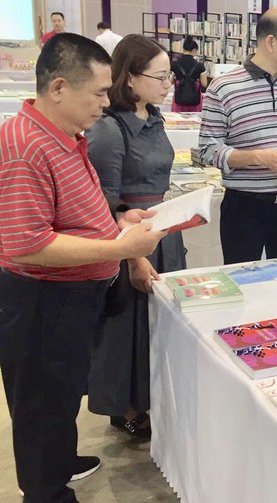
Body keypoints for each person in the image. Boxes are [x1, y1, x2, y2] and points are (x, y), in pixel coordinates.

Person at [0, 33, 164, 503]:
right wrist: (118, 247)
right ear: (58, 88)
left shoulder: (64, 134)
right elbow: (28, 245)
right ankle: (46, 490)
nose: (105, 103)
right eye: (97, 93)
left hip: (70, 298)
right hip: (42, 301)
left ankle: (58, 461)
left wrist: (118, 223)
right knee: (41, 403)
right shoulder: (25, 145)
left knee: (63, 391)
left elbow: (74, 211)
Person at [85, 34, 187, 440]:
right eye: (160, 77)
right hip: (129, 239)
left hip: (161, 230)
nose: (168, 85)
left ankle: (152, 398)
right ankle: (127, 406)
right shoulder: (110, 129)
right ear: (129, 78)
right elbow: (105, 203)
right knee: (128, 325)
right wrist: (133, 255)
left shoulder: (155, 118)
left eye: (169, 77)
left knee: (158, 323)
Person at [199, 7, 277, 263]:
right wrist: (258, 157)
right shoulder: (223, 87)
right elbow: (208, 149)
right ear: (271, 42)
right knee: (241, 276)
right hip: (244, 207)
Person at [170, 37, 208, 112]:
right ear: (194, 50)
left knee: (178, 117)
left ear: (183, 49)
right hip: (194, 98)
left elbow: (170, 81)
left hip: (179, 97)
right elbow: (204, 84)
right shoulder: (199, 65)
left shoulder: (174, 63)